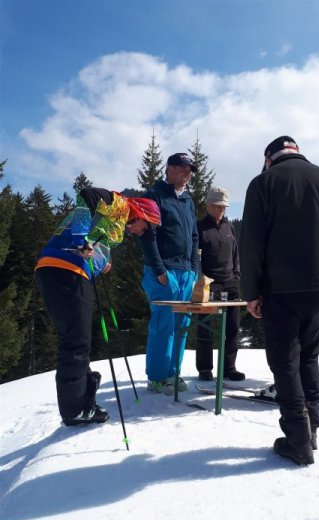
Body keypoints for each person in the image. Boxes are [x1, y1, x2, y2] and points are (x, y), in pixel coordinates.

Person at [240, 136, 319, 466]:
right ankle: (313, 428)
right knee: (309, 354)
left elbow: (251, 243)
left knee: (284, 361)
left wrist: (251, 292)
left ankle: (298, 440)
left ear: (269, 159)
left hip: (280, 288)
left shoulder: (263, 183)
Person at [35, 188, 161, 426]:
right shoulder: (121, 204)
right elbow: (88, 195)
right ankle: (75, 410)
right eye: (145, 227)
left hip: (55, 268)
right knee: (76, 342)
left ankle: (83, 399)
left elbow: (98, 235)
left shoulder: (119, 219)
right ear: (141, 214)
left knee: (77, 338)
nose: (140, 232)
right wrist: (80, 239)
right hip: (67, 269)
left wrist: (104, 259)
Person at [138, 153, 199, 395]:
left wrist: (193, 269)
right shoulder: (154, 196)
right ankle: (156, 378)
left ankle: (173, 373)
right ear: (170, 169)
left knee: (181, 324)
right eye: (184, 169)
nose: (188, 174)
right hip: (163, 271)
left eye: (190, 170)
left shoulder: (188, 201)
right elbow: (147, 235)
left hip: (185, 272)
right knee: (163, 323)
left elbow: (194, 237)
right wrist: (159, 270)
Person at [196, 187, 245, 382]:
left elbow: (236, 253)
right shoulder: (199, 227)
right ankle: (204, 369)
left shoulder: (229, 227)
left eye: (224, 206)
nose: (221, 209)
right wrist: (201, 279)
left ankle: (229, 368)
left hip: (231, 282)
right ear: (208, 205)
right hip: (208, 284)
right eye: (217, 206)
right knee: (205, 327)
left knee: (232, 327)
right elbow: (195, 257)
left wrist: (237, 274)